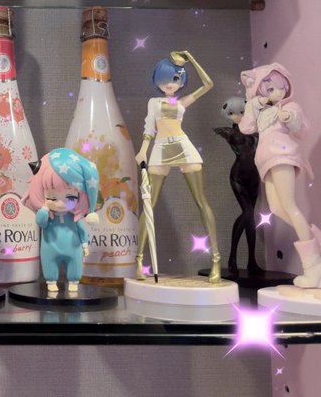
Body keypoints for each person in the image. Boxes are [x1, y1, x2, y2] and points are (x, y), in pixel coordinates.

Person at [135, 51, 221, 283]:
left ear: (181, 80)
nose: (169, 84)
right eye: (164, 79)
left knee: (201, 201)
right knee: (149, 204)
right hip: (161, 148)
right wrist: (143, 150)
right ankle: (139, 260)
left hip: (183, 146)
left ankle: (216, 260)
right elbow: (149, 128)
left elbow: (208, 84)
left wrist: (192, 59)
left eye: (175, 79)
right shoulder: (154, 102)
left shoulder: (182, 102)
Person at [239, 64, 319, 288]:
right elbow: (246, 128)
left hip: (282, 156)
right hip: (266, 161)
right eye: (270, 89)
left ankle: (313, 268)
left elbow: (302, 130)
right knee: (276, 208)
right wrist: (254, 104)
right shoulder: (262, 111)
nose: (277, 92)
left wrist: (290, 117)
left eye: (280, 87)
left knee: (289, 205)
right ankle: (313, 239)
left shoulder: (290, 106)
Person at [22, 148, 99, 293]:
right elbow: (41, 223)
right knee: (49, 263)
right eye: (52, 197)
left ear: (81, 195)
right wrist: (43, 211)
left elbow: (81, 229)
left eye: (70, 197)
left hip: (73, 246)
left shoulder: (74, 218)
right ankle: (51, 281)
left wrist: (85, 244)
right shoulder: (48, 215)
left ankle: (74, 281)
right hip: (50, 246)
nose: (60, 203)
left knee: (75, 264)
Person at [214, 96, 262, 274]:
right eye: (232, 113)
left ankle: (252, 261)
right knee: (247, 213)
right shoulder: (229, 132)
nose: (238, 116)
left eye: (242, 112)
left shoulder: (256, 130)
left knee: (251, 218)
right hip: (238, 176)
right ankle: (232, 257)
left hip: (254, 176)